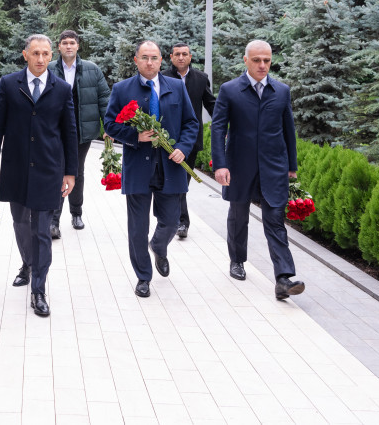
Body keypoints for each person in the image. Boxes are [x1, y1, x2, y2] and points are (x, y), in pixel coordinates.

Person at [0, 35, 78, 317]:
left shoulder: (61, 88)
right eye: (35, 53)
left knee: (41, 231)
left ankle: (39, 289)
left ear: (51, 56)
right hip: (16, 166)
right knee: (20, 223)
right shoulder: (10, 84)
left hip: (49, 168)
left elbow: (69, 132)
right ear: (25, 54)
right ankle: (27, 263)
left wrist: (70, 172)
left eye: (45, 54)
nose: (40, 59)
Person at [210, 40, 306, 300]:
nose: (262, 65)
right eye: (257, 60)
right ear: (246, 60)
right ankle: (237, 260)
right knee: (238, 216)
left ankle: (284, 279)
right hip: (239, 166)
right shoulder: (230, 90)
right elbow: (218, 129)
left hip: (274, 167)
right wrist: (219, 164)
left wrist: (292, 168)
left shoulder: (282, 91)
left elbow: (289, 132)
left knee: (275, 220)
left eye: (267, 60)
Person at [104, 41, 198, 298]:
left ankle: (158, 245)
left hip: (171, 166)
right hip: (139, 168)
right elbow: (110, 124)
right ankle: (143, 276)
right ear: (136, 60)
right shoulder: (123, 89)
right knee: (137, 227)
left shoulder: (177, 87)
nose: (149, 62)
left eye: (154, 57)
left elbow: (191, 123)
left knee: (170, 221)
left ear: (160, 60)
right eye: (144, 57)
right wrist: (136, 136)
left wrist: (183, 147)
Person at [48, 30, 110, 238]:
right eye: (64, 42)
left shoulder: (92, 70)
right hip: (55, 131)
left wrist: (108, 127)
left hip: (82, 131)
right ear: (58, 47)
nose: (68, 46)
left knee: (77, 171)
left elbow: (104, 99)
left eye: (72, 43)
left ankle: (76, 214)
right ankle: (53, 220)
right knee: (58, 172)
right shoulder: (48, 69)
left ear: (78, 46)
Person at [162, 43, 216, 238]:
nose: (181, 57)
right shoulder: (163, 77)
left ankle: (181, 222)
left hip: (191, 140)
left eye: (185, 54)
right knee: (173, 181)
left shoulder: (201, 79)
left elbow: (211, 104)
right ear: (171, 57)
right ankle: (177, 220)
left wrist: (223, 125)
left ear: (190, 57)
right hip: (166, 139)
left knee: (182, 181)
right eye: (177, 54)